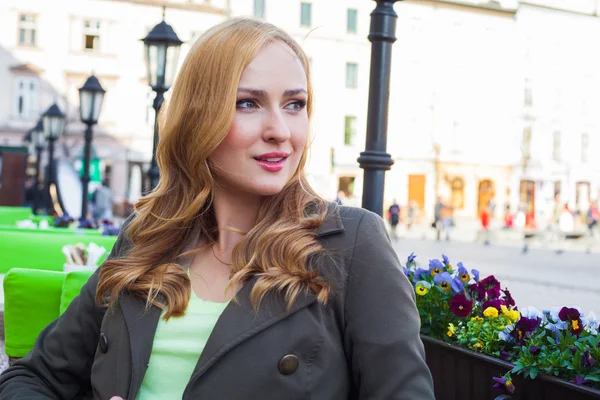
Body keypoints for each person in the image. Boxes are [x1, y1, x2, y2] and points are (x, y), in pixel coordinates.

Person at [0, 19, 434, 399]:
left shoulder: (350, 242)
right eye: (248, 103)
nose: (280, 131)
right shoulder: (147, 237)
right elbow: (29, 379)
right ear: (197, 116)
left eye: (294, 104)